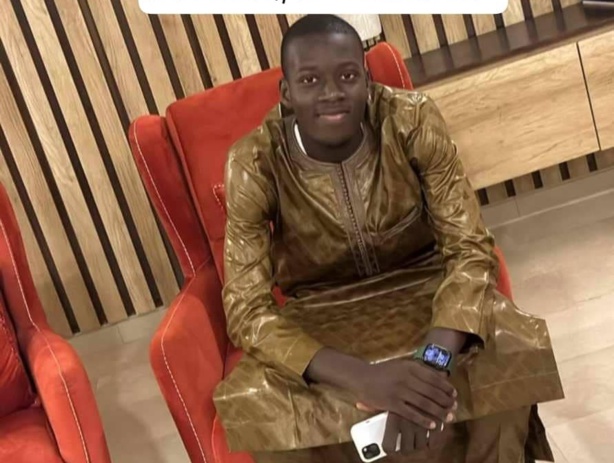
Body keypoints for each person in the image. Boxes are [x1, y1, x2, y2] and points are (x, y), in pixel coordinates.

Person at [213, 14, 564, 463]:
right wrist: (365, 379)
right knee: (256, 400)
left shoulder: (410, 120)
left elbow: (470, 249)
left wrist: (432, 363)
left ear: (367, 79)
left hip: (427, 287)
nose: (332, 92)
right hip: (319, 310)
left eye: (347, 75)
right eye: (310, 80)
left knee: (511, 342)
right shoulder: (254, 161)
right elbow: (246, 309)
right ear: (286, 92)